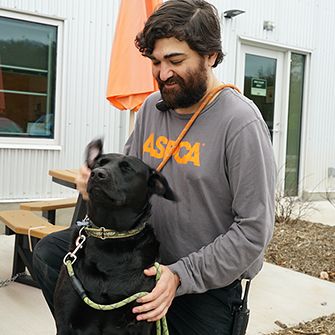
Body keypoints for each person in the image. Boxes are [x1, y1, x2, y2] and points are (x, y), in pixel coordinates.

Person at [33, 1, 276, 334]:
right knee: (50, 254)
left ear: (210, 56)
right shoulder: (151, 108)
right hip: (136, 259)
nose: (163, 74)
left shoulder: (240, 123)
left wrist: (180, 275)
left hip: (203, 284)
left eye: (176, 61)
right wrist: (98, 183)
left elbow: (254, 231)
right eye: (156, 62)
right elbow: (128, 179)